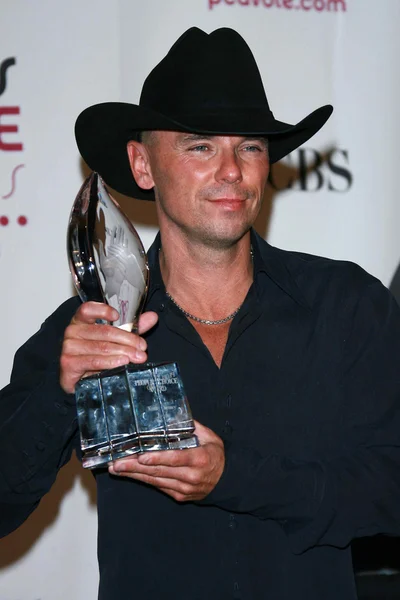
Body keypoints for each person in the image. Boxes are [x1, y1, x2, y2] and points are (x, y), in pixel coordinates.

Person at [1, 26, 400, 600]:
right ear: (142, 166)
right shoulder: (93, 331)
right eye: (201, 146)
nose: (232, 170)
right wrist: (59, 396)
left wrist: (235, 479)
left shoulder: (347, 305)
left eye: (251, 147)